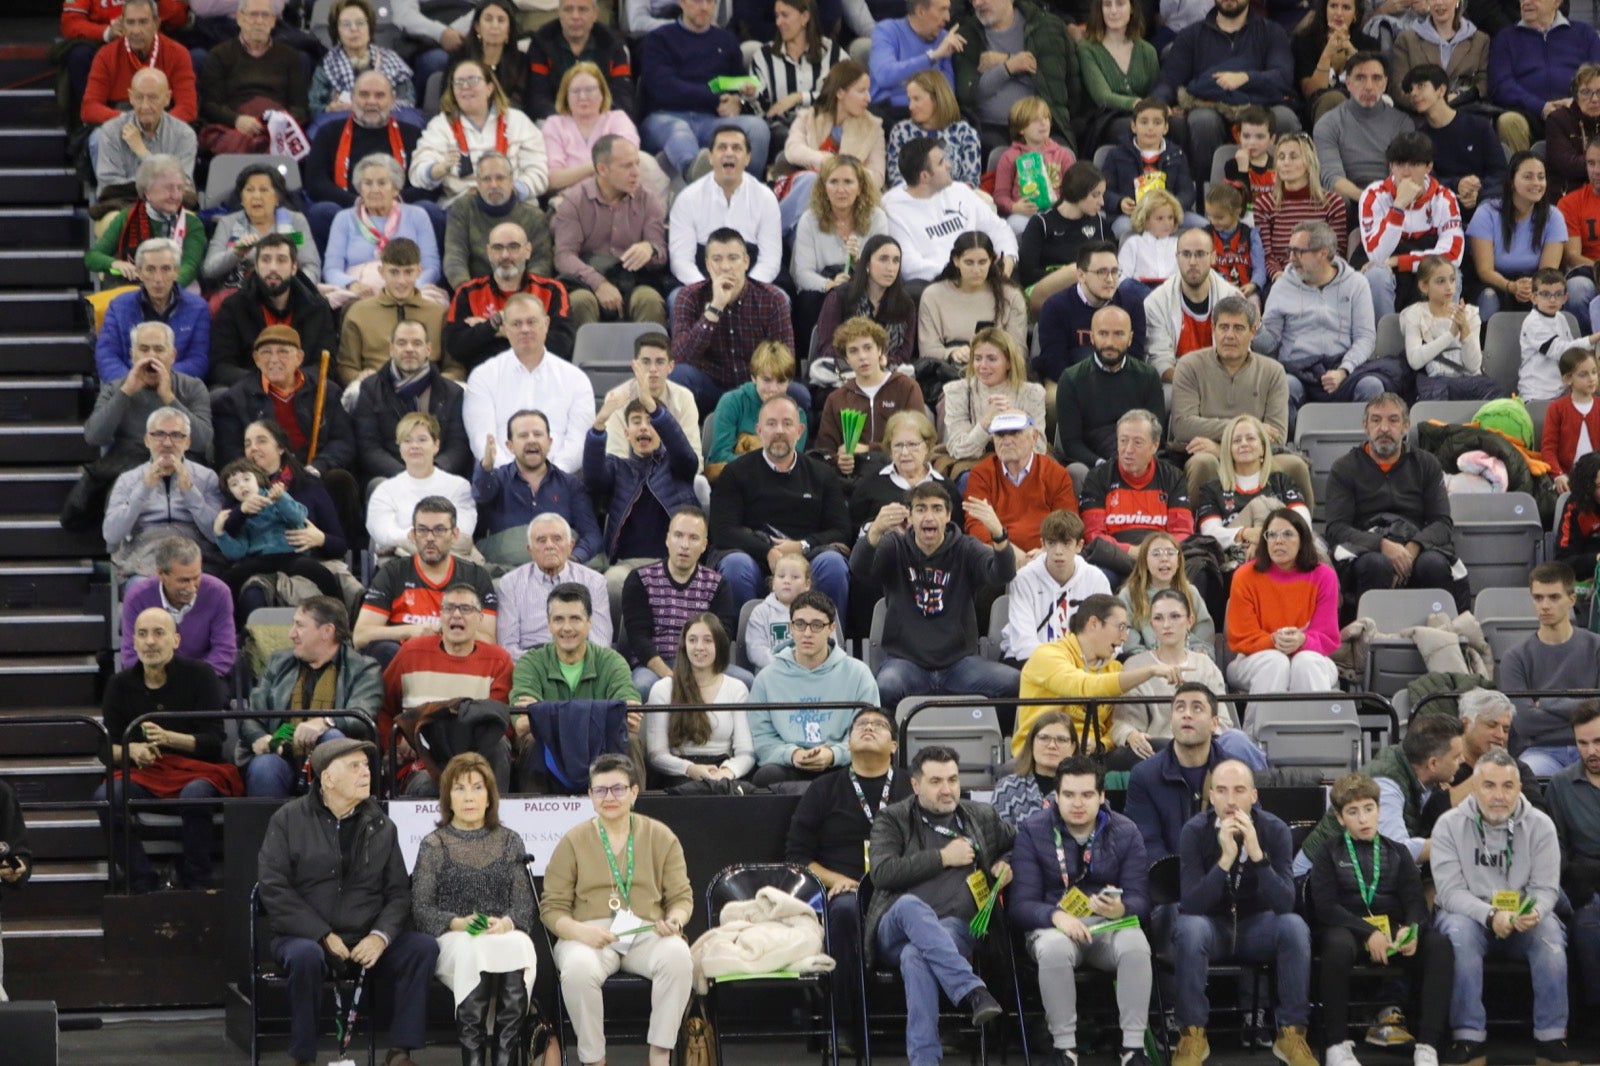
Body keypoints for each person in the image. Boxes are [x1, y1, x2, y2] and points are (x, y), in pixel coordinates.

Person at [258, 737, 438, 1066]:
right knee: (306, 957)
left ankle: (401, 1052)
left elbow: (399, 892)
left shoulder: (382, 825)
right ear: (327, 778)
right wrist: (321, 934)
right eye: (353, 766)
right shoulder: (287, 820)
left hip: (364, 937)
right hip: (305, 937)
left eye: (367, 765)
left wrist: (379, 936)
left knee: (422, 948)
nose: (365, 772)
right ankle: (303, 1056)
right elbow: (273, 887)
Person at [540, 753, 693, 1066]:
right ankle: (594, 1060)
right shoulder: (573, 841)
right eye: (600, 790)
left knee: (678, 955)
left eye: (618, 789)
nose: (609, 797)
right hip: (588, 932)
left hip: (645, 930)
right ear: (590, 796)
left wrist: (675, 920)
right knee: (578, 969)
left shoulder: (660, 836)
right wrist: (579, 931)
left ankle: (660, 1054)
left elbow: (681, 897)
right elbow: (552, 909)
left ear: (635, 792)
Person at [867, 745, 1014, 1061]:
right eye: (936, 781)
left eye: (953, 779)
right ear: (916, 785)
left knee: (916, 956)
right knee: (910, 907)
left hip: (957, 928)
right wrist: (942, 858)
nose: (947, 789)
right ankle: (973, 990)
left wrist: (1005, 861)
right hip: (896, 928)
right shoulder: (892, 819)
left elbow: (1019, 843)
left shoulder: (980, 816)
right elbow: (881, 873)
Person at [1431, 748, 1577, 1066]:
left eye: (1507, 786)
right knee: (1458, 934)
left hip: (1523, 916)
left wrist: (1535, 911)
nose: (1499, 795)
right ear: (1474, 787)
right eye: (1489, 786)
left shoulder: (1541, 826)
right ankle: (1469, 1038)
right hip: (1470, 916)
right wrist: (1491, 914)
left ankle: (1551, 1039)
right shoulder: (1448, 825)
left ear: (1519, 789)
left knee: (1550, 933)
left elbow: (1546, 888)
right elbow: (1450, 892)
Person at [1169, 760, 1317, 1066]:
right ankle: (1192, 1034)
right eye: (1221, 791)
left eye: (1239, 791)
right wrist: (1225, 860)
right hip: (1213, 926)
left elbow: (1285, 903)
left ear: (1253, 795)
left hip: (1256, 925)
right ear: (1211, 797)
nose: (1231, 800)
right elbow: (1192, 904)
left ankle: (1291, 1034)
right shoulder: (1194, 831)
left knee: (1294, 926)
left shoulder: (1274, 829)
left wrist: (1258, 856)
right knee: (1189, 928)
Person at [1011, 756, 1153, 1066]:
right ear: (1056, 796)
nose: (1078, 803)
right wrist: (1055, 916)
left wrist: (1122, 908)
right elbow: (1021, 904)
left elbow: (1142, 899)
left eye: (1087, 795)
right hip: (1055, 926)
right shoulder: (1033, 831)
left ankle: (1133, 1048)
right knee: (1052, 948)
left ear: (1102, 797)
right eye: (1069, 795)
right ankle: (1065, 1049)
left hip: (1108, 926)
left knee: (1136, 945)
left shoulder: (1125, 831)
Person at [1306, 773, 1453, 1066]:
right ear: (1339, 818)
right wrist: (1367, 932)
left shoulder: (1397, 852)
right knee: (1335, 944)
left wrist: (1411, 931)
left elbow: (1414, 902)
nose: (1363, 818)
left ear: (1379, 810)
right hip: (1348, 928)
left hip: (1392, 930)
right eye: (1353, 812)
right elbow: (1325, 907)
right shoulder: (1328, 852)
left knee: (1439, 944)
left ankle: (1428, 1044)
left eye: (1369, 809)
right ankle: (1337, 1044)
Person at [783, 706, 911, 1032]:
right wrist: (839, 880)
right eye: (861, 725)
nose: (868, 728)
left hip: (903, 888)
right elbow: (797, 856)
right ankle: (844, 1026)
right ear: (849, 741)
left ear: (894, 745)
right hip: (846, 891)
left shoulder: (914, 786)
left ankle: (942, 1023)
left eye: (878, 725)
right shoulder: (824, 789)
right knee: (841, 910)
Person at [96, 607, 237, 893]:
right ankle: (141, 881)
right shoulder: (119, 684)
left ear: (175, 640)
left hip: (198, 770)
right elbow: (104, 750)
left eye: (159, 633)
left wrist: (170, 738)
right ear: (133, 642)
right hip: (146, 773)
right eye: (142, 634)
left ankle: (198, 882)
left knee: (195, 794)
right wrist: (132, 751)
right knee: (105, 796)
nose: (150, 641)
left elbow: (213, 742)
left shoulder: (201, 675)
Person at [410, 751, 535, 1066]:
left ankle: (506, 1056)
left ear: (490, 797)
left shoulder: (510, 841)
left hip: (499, 930)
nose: (469, 796)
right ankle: (474, 1058)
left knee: (518, 942)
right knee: (472, 949)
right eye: (460, 788)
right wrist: (458, 923)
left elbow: (523, 906)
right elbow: (421, 910)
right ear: (447, 797)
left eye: (477, 788)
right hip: (455, 935)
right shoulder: (434, 843)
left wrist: (506, 923)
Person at [853, 480, 1020, 711]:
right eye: (921, 509)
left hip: (959, 665)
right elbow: (860, 568)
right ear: (909, 518)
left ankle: (996, 741)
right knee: (883, 687)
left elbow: (1002, 574)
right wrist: (875, 531)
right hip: (906, 664)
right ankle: (895, 743)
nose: (929, 517)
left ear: (948, 516)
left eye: (937, 508)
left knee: (1015, 683)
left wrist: (999, 535)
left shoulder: (965, 547)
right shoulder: (895, 546)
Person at [708, 395, 852, 610]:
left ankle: (831, 639)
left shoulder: (822, 474)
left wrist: (802, 546)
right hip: (753, 557)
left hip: (807, 557)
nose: (779, 431)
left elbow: (841, 530)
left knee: (833, 564)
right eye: (771, 423)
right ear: (759, 430)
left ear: (800, 431)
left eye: (787, 423)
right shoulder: (735, 472)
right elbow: (722, 530)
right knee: (734, 566)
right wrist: (768, 552)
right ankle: (742, 642)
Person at [1168, 296, 1312, 503]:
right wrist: (1253, 430)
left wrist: (1223, 449)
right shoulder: (1190, 366)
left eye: (1238, 328)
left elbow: (1277, 436)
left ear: (1253, 331)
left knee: (1296, 466)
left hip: (1257, 456)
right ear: (1213, 328)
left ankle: (1302, 531)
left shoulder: (1273, 371)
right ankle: (1192, 532)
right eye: (1223, 327)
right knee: (1203, 463)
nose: (1229, 336)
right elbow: (1183, 426)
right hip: (1206, 455)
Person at [239, 596, 383, 798]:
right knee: (264, 766)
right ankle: (270, 830)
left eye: (300, 626)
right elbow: (252, 714)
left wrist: (326, 722)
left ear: (327, 632)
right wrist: (260, 738)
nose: (291, 634)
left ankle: (334, 827)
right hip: (284, 759)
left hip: (339, 762)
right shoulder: (279, 662)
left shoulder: (364, 669)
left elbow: (362, 716)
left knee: (332, 739)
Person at [1323, 392, 1460, 604]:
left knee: (1433, 565)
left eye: (1393, 420)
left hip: (1416, 542)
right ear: (1365, 426)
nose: (1384, 428)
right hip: (1365, 547)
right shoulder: (1344, 468)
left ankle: (1441, 632)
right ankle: (1368, 634)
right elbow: (1336, 528)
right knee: (1376, 564)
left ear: (1406, 426)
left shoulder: (1427, 464)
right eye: (1376, 420)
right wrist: (1382, 545)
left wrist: (1412, 549)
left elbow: (1442, 523)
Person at [380, 583, 513, 797]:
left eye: (466, 609)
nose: (456, 615)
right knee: (425, 785)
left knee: (499, 744)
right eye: (449, 608)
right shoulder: (411, 652)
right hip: (423, 764)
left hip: (477, 762)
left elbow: (498, 726)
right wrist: (395, 741)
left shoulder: (499, 660)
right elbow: (383, 708)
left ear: (480, 619)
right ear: (440, 616)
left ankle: (496, 825)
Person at [1293, 713, 1465, 877]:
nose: (1463, 760)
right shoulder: (1387, 786)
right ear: (1433, 763)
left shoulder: (1412, 766)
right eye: (1456, 757)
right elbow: (1397, 851)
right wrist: (1455, 842)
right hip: (1315, 880)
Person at [1018, 594, 1186, 758]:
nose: (1124, 637)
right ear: (1094, 623)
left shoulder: (1115, 669)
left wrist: (1104, 743)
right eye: (1120, 627)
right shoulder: (1047, 655)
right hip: (1042, 753)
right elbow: (1085, 688)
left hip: (1092, 757)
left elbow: (1114, 725)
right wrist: (1150, 670)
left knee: (1159, 751)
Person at [747, 590, 881, 788]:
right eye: (800, 624)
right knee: (766, 776)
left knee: (867, 771)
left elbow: (870, 731)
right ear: (791, 627)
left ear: (831, 628)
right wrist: (793, 754)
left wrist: (833, 754)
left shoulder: (859, 674)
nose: (807, 633)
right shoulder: (766, 678)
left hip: (840, 764)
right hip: (788, 765)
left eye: (817, 625)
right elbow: (762, 739)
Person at [507, 583, 640, 781]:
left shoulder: (612, 661)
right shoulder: (530, 662)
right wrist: (602, 714)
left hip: (601, 747)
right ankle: (534, 809)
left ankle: (635, 810)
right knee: (531, 741)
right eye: (559, 619)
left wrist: (543, 712)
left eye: (575, 619)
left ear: (590, 622)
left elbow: (632, 721)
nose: (566, 628)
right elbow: (523, 724)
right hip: (549, 748)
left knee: (631, 741)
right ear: (549, 624)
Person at [1224, 507, 1342, 723]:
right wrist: (1274, 640)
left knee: (1305, 662)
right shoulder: (1244, 576)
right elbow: (1241, 637)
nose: (1278, 541)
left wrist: (1302, 640)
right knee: (1275, 662)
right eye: (1271, 535)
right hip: (1252, 659)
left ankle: (1320, 739)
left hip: (1312, 656)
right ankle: (1256, 742)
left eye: (1287, 534)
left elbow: (1327, 637)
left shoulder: (1324, 576)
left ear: (1302, 540)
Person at [1153, 0, 1301, 171]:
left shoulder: (1272, 32)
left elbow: (1282, 76)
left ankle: (1279, 188)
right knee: (1202, 120)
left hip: (1261, 104)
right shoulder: (1191, 35)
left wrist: (1245, 78)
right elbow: (1169, 79)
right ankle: (1208, 191)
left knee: (1284, 117)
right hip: (1209, 105)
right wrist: (1158, 104)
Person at [669, 228, 797, 419]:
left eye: (733, 258)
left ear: (746, 261)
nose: (726, 267)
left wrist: (762, 384)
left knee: (801, 397)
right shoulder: (688, 297)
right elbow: (680, 357)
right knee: (678, 377)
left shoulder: (772, 299)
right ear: (707, 264)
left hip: (757, 388)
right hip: (710, 388)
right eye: (717, 259)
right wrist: (715, 308)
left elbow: (785, 358)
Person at [356, 496, 498, 665]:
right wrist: (410, 631)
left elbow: (488, 640)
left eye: (439, 530)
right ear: (412, 535)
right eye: (422, 530)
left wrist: (443, 631)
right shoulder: (392, 572)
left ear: (454, 535)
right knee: (383, 650)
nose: (430, 538)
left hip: (457, 661)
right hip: (404, 662)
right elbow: (360, 636)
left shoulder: (476, 576)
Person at [1258, 219, 1382, 412]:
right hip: (1298, 369)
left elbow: (1365, 338)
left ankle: (1365, 443)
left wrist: (1344, 369)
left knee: (1372, 386)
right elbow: (1270, 345)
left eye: (1299, 252)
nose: (1291, 258)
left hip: (1342, 367)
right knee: (1285, 386)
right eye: (1289, 250)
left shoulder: (1356, 283)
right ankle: (1286, 442)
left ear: (1323, 253)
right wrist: (1255, 327)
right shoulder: (1281, 286)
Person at [462, 293, 595, 473]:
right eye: (516, 324)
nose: (525, 329)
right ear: (505, 329)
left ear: (546, 324)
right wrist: (514, 477)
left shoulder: (575, 378)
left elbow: (579, 441)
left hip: (562, 480)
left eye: (531, 322)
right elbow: (482, 440)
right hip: (502, 481)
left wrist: (552, 475)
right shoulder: (483, 376)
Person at [550, 133, 671, 329]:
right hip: (586, 281)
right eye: (626, 166)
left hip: (634, 280)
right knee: (579, 301)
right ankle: (579, 360)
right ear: (602, 169)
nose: (636, 172)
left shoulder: (648, 199)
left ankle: (649, 359)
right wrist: (599, 283)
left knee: (649, 300)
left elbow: (661, 254)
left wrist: (650, 249)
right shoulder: (574, 200)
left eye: (637, 164)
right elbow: (564, 256)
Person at [638, 0, 769, 178]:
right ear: (682, 3)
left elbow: (737, 84)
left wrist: (738, 101)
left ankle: (748, 189)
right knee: (679, 130)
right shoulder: (659, 39)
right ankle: (695, 176)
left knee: (757, 128)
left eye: (710, 2)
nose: (705, 7)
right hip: (666, 116)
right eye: (698, 1)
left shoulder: (727, 40)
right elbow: (663, 88)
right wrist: (714, 98)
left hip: (713, 121)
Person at [304, 70, 432, 251]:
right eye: (364, 95)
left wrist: (391, 201)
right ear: (353, 98)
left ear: (392, 99)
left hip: (400, 211)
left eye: (380, 95)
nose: (371, 101)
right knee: (321, 212)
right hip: (346, 211)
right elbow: (315, 182)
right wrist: (357, 202)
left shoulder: (412, 134)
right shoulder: (328, 131)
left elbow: (428, 182)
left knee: (429, 210)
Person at [621, 507, 741, 698]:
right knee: (643, 686)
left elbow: (723, 637)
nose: (684, 545)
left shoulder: (718, 584)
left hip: (703, 664)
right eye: (678, 535)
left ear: (704, 545)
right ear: (667, 539)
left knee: (745, 680)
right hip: (654, 665)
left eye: (693, 538)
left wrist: (698, 673)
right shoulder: (640, 579)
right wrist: (670, 676)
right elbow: (638, 638)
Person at [213, 325, 358, 481]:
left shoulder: (325, 390)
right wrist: (271, 475)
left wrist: (317, 468)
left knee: (341, 480)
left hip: (316, 475)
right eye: (266, 352)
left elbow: (342, 441)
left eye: (283, 351)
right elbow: (231, 453)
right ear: (256, 359)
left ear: (299, 357)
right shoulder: (234, 400)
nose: (274, 359)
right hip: (264, 480)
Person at [585, 394, 701, 586]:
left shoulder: (678, 466)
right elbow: (593, 477)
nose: (644, 427)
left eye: (650, 420)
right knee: (612, 582)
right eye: (636, 421)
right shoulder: (616, 468)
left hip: (672, 564)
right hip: (625, 566)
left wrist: (654, 408)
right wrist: (599, 425)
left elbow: (683, 451)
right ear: (626, 433)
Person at [215, 458, 346, 624]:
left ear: (258, 479)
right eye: (234, 484)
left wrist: (281, 498)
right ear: (230, 492)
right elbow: (237, 551)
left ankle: (341, 621)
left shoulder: (276, 496)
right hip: (260, 560)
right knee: (229, 579)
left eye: (246, 479)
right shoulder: (238, 514)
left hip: (290, 555)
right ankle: (236, 631)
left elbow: (299, 516)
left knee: (322, 574)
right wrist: (220, 533)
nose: (242, 486)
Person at [1502, 562, 1600, 776]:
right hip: (1539, 752)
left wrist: (1544, 703)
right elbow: (1524, 722)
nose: (1545, 605)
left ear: (1572, 600)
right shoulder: (1515, 658)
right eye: (1538, 598)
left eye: (1554, 597)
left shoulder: (1597, 648)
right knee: (1530, 774)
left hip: (1594, 747)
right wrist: (1586, 709)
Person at [1357, 131, 1464, 323]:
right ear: (1390, 166)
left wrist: (1399, 261)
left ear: (1428, 166)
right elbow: (1377, 256)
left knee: (1451, 273)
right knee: (1376, 274)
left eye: (1414, 164)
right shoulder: (1373, 195)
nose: (1405, 172)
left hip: (1423, 271)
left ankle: (1440, 341)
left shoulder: (1444, 198)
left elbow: (1453, 255)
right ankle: (1383, 344)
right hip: (1388, 273)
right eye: (1399, 164)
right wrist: (1398, 207)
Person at [411, 58, 547, 208]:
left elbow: (539, 171)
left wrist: (511, 190)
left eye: (473, 80)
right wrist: (440, 168)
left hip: (513, 204)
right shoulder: (440, 125)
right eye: (458, 82)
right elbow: (418, 173)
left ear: (490, 88)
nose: (465, 86)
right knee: (426, 210)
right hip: (462, 208)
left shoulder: (517, 120)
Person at [950, 0, 1079, 158]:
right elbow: (971, 94)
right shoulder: (967, 35)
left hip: (1043, 125)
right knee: (1000, 155)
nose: (978, 3)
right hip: (992, 128)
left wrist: (1006, 59)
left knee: (1062, 155)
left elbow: (1064, 84)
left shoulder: (1046, 28)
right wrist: (1007, 68)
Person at [103, 407, 224, 574]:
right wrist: (143, 489)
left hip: (196, 559)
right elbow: (111, 534)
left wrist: (190, 493)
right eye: (159, 434)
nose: (167, 443)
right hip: (145, 559)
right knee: (142, 589)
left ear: (187, 442)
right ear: (147, 440)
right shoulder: (128, 480)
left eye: (176, 435)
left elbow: (217, 535)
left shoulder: (207, 477)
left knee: (214, 589)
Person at [1077, 408, 1193, 582]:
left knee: (1196, 571)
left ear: (1154, 445)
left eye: (1138, 442)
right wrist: (1129, 551)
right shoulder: (1099, 476)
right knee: (1099, 575)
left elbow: (1182, 531)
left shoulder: (1172, 477)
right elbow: (1093, 534)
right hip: (1115, 559)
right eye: (1123, 441)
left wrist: (1156, 553)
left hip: (1163, 558)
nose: (1128, 450)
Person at [352, 319, 472, 486]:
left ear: (428, 349)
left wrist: (433, 471)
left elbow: (458, 445)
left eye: (417, 343)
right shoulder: (370, 389)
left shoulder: (452, 393)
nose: (409, 349)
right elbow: (368, 446)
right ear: (391, 349)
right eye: (402, 343)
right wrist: (405, 475)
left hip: (439, 476)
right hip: (389, 478)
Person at [794, 160, 894, 357]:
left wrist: (859, 262)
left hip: (864, 283)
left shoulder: (877, 217)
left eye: (848, 182)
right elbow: (802, 274)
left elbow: (883, 265)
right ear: (824, 187)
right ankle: (813, 362)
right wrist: (830, 284)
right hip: (824, 287)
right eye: (833, 182)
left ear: (860, 187)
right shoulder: (809, 219)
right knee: (808, 300)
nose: (841, 189)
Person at [209, 235, 337, 389]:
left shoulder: (317, 308)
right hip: (250, 393)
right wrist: (264, 381)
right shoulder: (233, 307)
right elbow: (221, 366)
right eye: (266, 260)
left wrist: (291, 381)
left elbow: (326, 365)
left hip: (302, 392)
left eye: (281, 260)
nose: (273, 268)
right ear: (256, 266)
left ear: (294, 267)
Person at [1123, 683, 1233, 862]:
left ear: (1214, 723)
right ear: (1171, 720)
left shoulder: (1235, 772)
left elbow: (1250, 830)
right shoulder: (1144, 775)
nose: (1187, 714)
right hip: (1166, 881)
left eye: (1197, 708)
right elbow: (1146, 844)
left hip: (1222, 878)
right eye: (1179, 708)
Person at [884, 138, 1018, 285]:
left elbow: (998, 228)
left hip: (982, 275)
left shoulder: (959, 190)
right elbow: (910, 266)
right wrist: (964, 274)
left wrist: (1008, 258)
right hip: (939, 285)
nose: (949, 165)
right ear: (925, 176)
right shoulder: (893, 209)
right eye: (941, 162)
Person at [320, 156, 446, 312]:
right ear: (360, 188)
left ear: (396, 189)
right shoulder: (344, 219)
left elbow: (432, 266)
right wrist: (352, 284)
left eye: (382, 183)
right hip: (359, 293)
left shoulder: (417, 215)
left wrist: (408, 287)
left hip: (408, 287)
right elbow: (331, 269)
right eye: (368, 183)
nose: (374, 190)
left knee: (430, 305)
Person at [447, 220, 577, 370]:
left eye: (513, 247)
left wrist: (494, 328)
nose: (505, 255)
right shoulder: (467, 292)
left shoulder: (552, 290)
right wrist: (524, 332)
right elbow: (456, 348)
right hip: (487, 378)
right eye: (497, 248)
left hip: (542, 375)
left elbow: (562, 345)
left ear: (528, 250)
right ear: (489, 252)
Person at [643, 613, 754, 787]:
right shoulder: (663, 689)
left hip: (722, 775)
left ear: (719, 645)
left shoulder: (737, 688)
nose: (699, 647)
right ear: (684, 645)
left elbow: (746, 752)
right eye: (692, 640)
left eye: (708, 641)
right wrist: (690, 769)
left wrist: (726, 772)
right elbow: (656, 754)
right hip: (678, 773)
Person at [776, 60, 885, 234]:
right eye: (861, 91)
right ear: (840, 92)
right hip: (802, 190)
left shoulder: (873, 127)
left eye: (868, 90)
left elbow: (877, 176)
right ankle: (775, 234)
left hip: (846, 198)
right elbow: (792, 150)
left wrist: (842, 172)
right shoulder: (809, 116)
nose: (868, 98)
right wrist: (827, 162)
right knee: (812, 181)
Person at [472, 409, 602, 554]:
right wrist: (486, 467)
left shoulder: (571, 485)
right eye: (523, 435)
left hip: (560, 570)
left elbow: (592, 535)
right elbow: (481, 495)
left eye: (538, 434)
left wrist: (574, 559)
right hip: (504, 570)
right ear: (510, 446)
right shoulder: (496, 479)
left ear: (549, 442)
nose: (531, 440)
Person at [1056, 306, 1166, 476]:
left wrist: (1132, 460)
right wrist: (1104, 464)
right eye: (1103, 334)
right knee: (1076, 471)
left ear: (1130, 339)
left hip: (1140, 462)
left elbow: (1156, 434)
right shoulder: (1071, 379)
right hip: (1094, 465)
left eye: (1119, 334)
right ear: (1092, 337)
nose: (1110, 343)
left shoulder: (1148, 376)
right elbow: (1072, 443)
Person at [811, 317, 927, 478]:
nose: (862, 357)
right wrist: (839, 460)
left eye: (868, 348)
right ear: (846, 359)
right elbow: (825, 451)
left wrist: (868, 450)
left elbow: (919, 440)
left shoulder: (906, 388)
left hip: (900, 474)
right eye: (853, 351)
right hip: (852, 480)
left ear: (880, 350)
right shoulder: (837, 398)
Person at [667, 127, 783, 288]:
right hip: (701, 280)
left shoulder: (765, 198)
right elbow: (681, 260)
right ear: (710, 157)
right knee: (676, 300)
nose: (729, 153)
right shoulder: (687, 198)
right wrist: (707, 289)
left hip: (751, 280)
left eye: (736, 148)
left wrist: (746, 290)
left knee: (782, 299)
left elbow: (770, 259)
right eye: (722, 147)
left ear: (748, 158)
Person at [337, 241, 451, 399]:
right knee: (356, 392)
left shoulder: (439, 313)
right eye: (394, 272)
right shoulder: (358, 312)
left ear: (419, 271)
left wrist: (441, 382)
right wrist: (360, 377)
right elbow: (346, 366)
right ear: (381, 271)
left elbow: (454, 367)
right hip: (376, 391)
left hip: (429, 390)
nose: (401, 281)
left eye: (408, 272)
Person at [87, 319, 212, 462]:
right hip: (127, 468)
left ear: (172, 356)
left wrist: (169, 397)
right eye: (144, 349)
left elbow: (203, 442)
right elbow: (94, 437)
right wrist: (126, 392)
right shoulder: (115, 388)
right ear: (133, 355)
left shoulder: (193, 387)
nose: (152, 356)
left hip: (179, 464)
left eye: (159, 349)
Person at [1193, 413, 1311, 561]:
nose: (1243, 443)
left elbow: (1303, 522)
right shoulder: (1212, 489)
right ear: (1228, 449)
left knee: (1313, 546)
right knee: (1259, 505)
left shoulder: (1281, 481)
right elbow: (1210, 534)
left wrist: (1265, 540)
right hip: (1234, 555)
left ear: (1262, 448)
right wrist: (1246, 533)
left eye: (1250, 438)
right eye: (1236, 440)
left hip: (1283, 549)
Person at [541, 63, 663, 206]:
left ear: (602, 93)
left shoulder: (618, 119)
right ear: (565, 96)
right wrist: (598, 166)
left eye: (589, 90)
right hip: (570, 203)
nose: (582, 96)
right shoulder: (554, 125)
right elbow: (553, 180)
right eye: (574, 91)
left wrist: (578, 177)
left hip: (616, 197)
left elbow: (625, 161)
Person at [1000, 510, 1112, 666]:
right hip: (1032, 660)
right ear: (1043, 544)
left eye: (1066, 543)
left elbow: (1109, 633)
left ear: (1079, 545)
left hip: (1082, 661)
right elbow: (1023, 643)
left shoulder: (1096, 579)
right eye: (1052, 543)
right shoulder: (1024, 579)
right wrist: (1060, 668)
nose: (1058, 551)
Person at [196, 0, 311, 150]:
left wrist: (278, 122)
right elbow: (211, 105)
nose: (259, 21)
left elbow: (300, 108)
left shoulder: (290, 57)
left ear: (273, 21)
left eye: (265, 15)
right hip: (236, 126)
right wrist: (237, 120)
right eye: (253, 15)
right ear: (239, 18)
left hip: (278, 129)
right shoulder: (219, 55)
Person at [1546, 701, 1600, 1017]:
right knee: (1589, 920)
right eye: (1583, 743)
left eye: (1598, 741)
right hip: (1586, 887)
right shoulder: (1561, 786)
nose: (1591, 750)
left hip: (1589, 872)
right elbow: (1559, 854)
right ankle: (1594, 1014)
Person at [495, 512, 612, 657]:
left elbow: (601, 643)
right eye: (541, 540)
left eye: (557, 539)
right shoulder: (510, 584)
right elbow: (507, 647)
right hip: (531, 666)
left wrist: (572, 664)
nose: (549, 545)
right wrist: (541, 666)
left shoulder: (594, 582)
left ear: (571, 546)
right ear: (530, 550)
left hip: (581, 664)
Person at [962, 414, 1078, 558]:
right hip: (997, 558)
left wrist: (1045, 553)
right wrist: (1010, 554)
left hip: (1046, 559)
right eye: (1000, 434)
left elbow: (1068, 524)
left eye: (1015, 433)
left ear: (1034, 437)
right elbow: (976, 526)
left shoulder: (1055, 473)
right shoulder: (981, 474)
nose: (1007, 441)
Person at [119, 535, 236, 678]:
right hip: (151, 679)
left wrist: (192, 679)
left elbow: (224, 650)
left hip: (204, 679)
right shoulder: (137, 597)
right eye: (184, 580)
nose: (192, 587)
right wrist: (162, 679)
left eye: (196, 577)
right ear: (161, 573)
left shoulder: (219, 593)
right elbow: (131, 654)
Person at [1035, 240, 1150, 381]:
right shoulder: (1055, 307)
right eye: (1101, 272)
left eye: (1114, 272)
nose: (1110, 279)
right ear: (1081, 275)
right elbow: (1054, 362)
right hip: (1069, 382)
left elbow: (1135, 356)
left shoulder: (1132, 305)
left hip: (1119, 381)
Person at [84, 154, 204, 290]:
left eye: (180, 188)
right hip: (131, 287)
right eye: (169, 188)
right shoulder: (127, 217)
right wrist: (114, 263)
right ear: (147, 192)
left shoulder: (192, 223)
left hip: (174, 287)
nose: (176, 196)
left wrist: (162, 286)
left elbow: (190, 266)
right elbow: (92, 257)